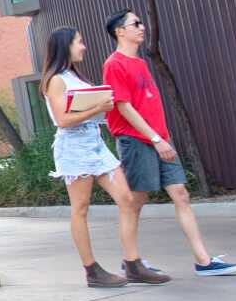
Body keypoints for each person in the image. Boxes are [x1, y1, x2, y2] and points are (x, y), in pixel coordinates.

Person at [100, 10, 236, 277]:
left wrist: (162, 137)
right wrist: (155, 139)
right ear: (120, 31)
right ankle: (130, 262)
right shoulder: (114, 64)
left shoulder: (140, 63)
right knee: (135, 201)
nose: (142, 27)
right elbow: (124, 107)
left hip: (160, 139)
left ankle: (203, 261)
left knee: (181, 194)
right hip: (137, 142)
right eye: (136, 23)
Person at [39, 26, 165, 287]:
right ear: (66, 46)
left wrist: (101, 108)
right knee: (81, 208)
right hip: (74, 149)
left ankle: (133, 263)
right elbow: (62, 120)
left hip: (95, 144)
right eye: (79, 42)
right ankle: (92, 270)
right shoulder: (55, 80)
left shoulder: (76, 77)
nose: (83, 47)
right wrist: (98, 106)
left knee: (127, 199)